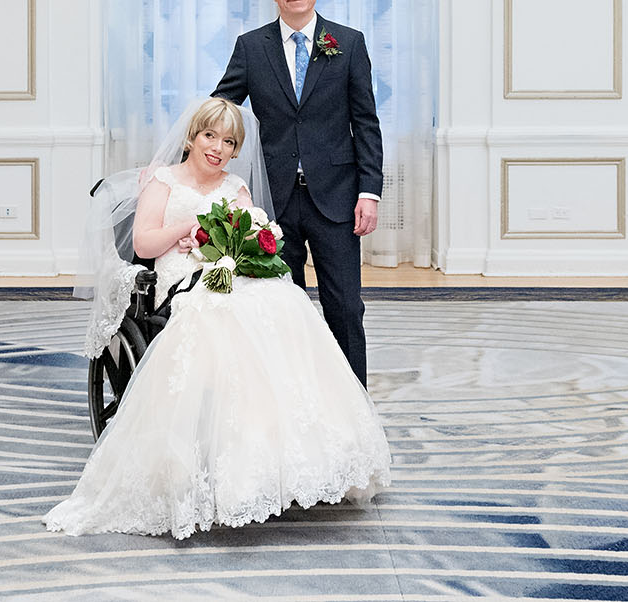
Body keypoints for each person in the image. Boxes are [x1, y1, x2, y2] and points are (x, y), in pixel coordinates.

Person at [46, 96, 390, 539]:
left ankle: (287, 451)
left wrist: (248, 247)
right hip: (183, 275)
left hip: (234, 271)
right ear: (192, 137)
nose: (219, 148)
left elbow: (254, 233)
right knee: (222, 316)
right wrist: (184, 230)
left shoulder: (236, 188)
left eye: (229, 142)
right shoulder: (163, 182)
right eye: (211, 136)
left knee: (286, 305)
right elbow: (146, 243)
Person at [214, 0, 382, 383]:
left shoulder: (348, 43)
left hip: (337, 199)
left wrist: (369, 192)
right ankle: (290, 402)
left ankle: (353, 401)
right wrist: (182, 171)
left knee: (345, 305)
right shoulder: (251, 47)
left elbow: (365, 122)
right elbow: (220, 111)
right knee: (278, 306)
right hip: (274, 199)